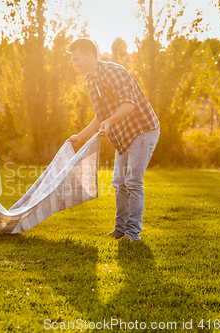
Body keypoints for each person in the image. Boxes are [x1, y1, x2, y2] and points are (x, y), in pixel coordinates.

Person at [66, 38, 160, 242]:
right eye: (73, 61)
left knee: (133, 182)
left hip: (142, 129)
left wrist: (110, 120)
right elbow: (100, 115)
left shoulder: (112, 72)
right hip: (123, 135)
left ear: (90, 55)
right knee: (119, 182)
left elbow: (129, 105)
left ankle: (133, 234)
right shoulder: (91, 80)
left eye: (77, 59)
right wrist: (80, 137)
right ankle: (120, 230)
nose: (74, 64)